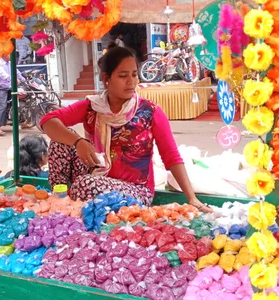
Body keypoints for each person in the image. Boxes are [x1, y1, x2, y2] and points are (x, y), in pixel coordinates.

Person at [39, 43, 210, 211]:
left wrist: (192, 198)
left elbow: (172, 157)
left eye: (134, 75)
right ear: (106, 79)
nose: (131, 81)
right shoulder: (92, 106)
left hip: (135, 190)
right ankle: (59, 201)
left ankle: (74, 199)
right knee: (61, 141)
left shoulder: (150, 112)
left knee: (85, 184)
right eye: (123, 76)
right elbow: (48, 121)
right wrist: (78, 142)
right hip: (96, 176)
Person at [0, 55, 26, 136]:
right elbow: (4, 75)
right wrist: (14, 79)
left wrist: (24, 79)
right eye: (8, 53)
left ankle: (24, 121)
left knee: (23, 97)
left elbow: (17, 73)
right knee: (2, 105)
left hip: (10, 86)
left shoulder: (10, 63)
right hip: (1, 87)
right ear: (3, 55)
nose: (11, 55)